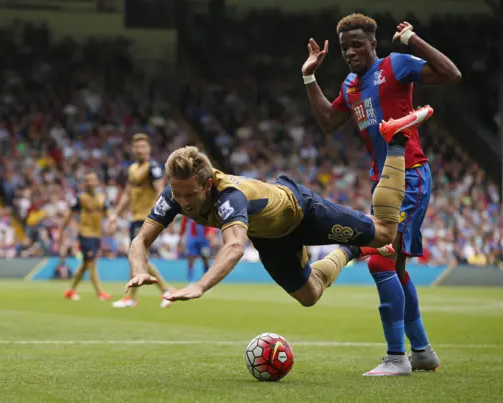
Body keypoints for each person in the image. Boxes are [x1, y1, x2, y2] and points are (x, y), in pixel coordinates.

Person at [125, 107, 432, 332]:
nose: (183, 202)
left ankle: (394, 142)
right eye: (178, 195)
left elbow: (232, 247)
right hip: (270, 238)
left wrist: (200, 286)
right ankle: (352, 249)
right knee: (310, 295)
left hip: (300, 211)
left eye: (189, 194)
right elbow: (140, 240)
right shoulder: (172, 194)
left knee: (384, 233)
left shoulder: (230, 196)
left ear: (207, 184)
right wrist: (138, 271)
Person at [302, 13, 461, 376]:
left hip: (410, 176)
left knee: (379, 261)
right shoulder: (350, 86)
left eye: (357, 44)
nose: (350, 52)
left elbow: (452, 75)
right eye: (344, 48)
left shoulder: (396, 65)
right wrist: (309, 75)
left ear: (374, 43)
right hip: (382, 183)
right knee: (397, 268)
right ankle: (421, 352)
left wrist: (413, 40)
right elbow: (328, 122)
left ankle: (397, 358)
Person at [108, 133, 173, 308]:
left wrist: (162, 215)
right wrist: (115, 214)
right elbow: (128, 194)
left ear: (149, 149)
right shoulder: (132, 169)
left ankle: (166, 291)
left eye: (143, 146)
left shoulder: (153, 167)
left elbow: (160, 191)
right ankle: (132, 298)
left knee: (138, 256)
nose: (140, 150)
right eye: (137, 147)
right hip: (135, 218)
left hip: (148, 218)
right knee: (136, 256)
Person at [58, 171, 112, 301]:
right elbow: (69, 215)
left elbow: (109, 214)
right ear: (84, 184)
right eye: (87, 180)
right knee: (92, 262)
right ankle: (100, 292)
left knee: (84, 265)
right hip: (85, 234)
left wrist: (112, 223)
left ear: (97, 182)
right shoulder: (80, 198)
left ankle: (70, 290)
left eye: (92, 180)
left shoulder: (102, 198)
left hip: (97, 235)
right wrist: (61, 231)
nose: (90, 182)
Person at [178, 216, 213, 285]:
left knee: (205, 260)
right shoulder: (187, 209)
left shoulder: (206, 208)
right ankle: (190, 281)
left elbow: (212, 221)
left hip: (204, 239)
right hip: (192, 239)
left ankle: (207, 282)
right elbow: (183, 223)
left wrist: (211, 232)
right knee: (191, 259)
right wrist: (181, 236)